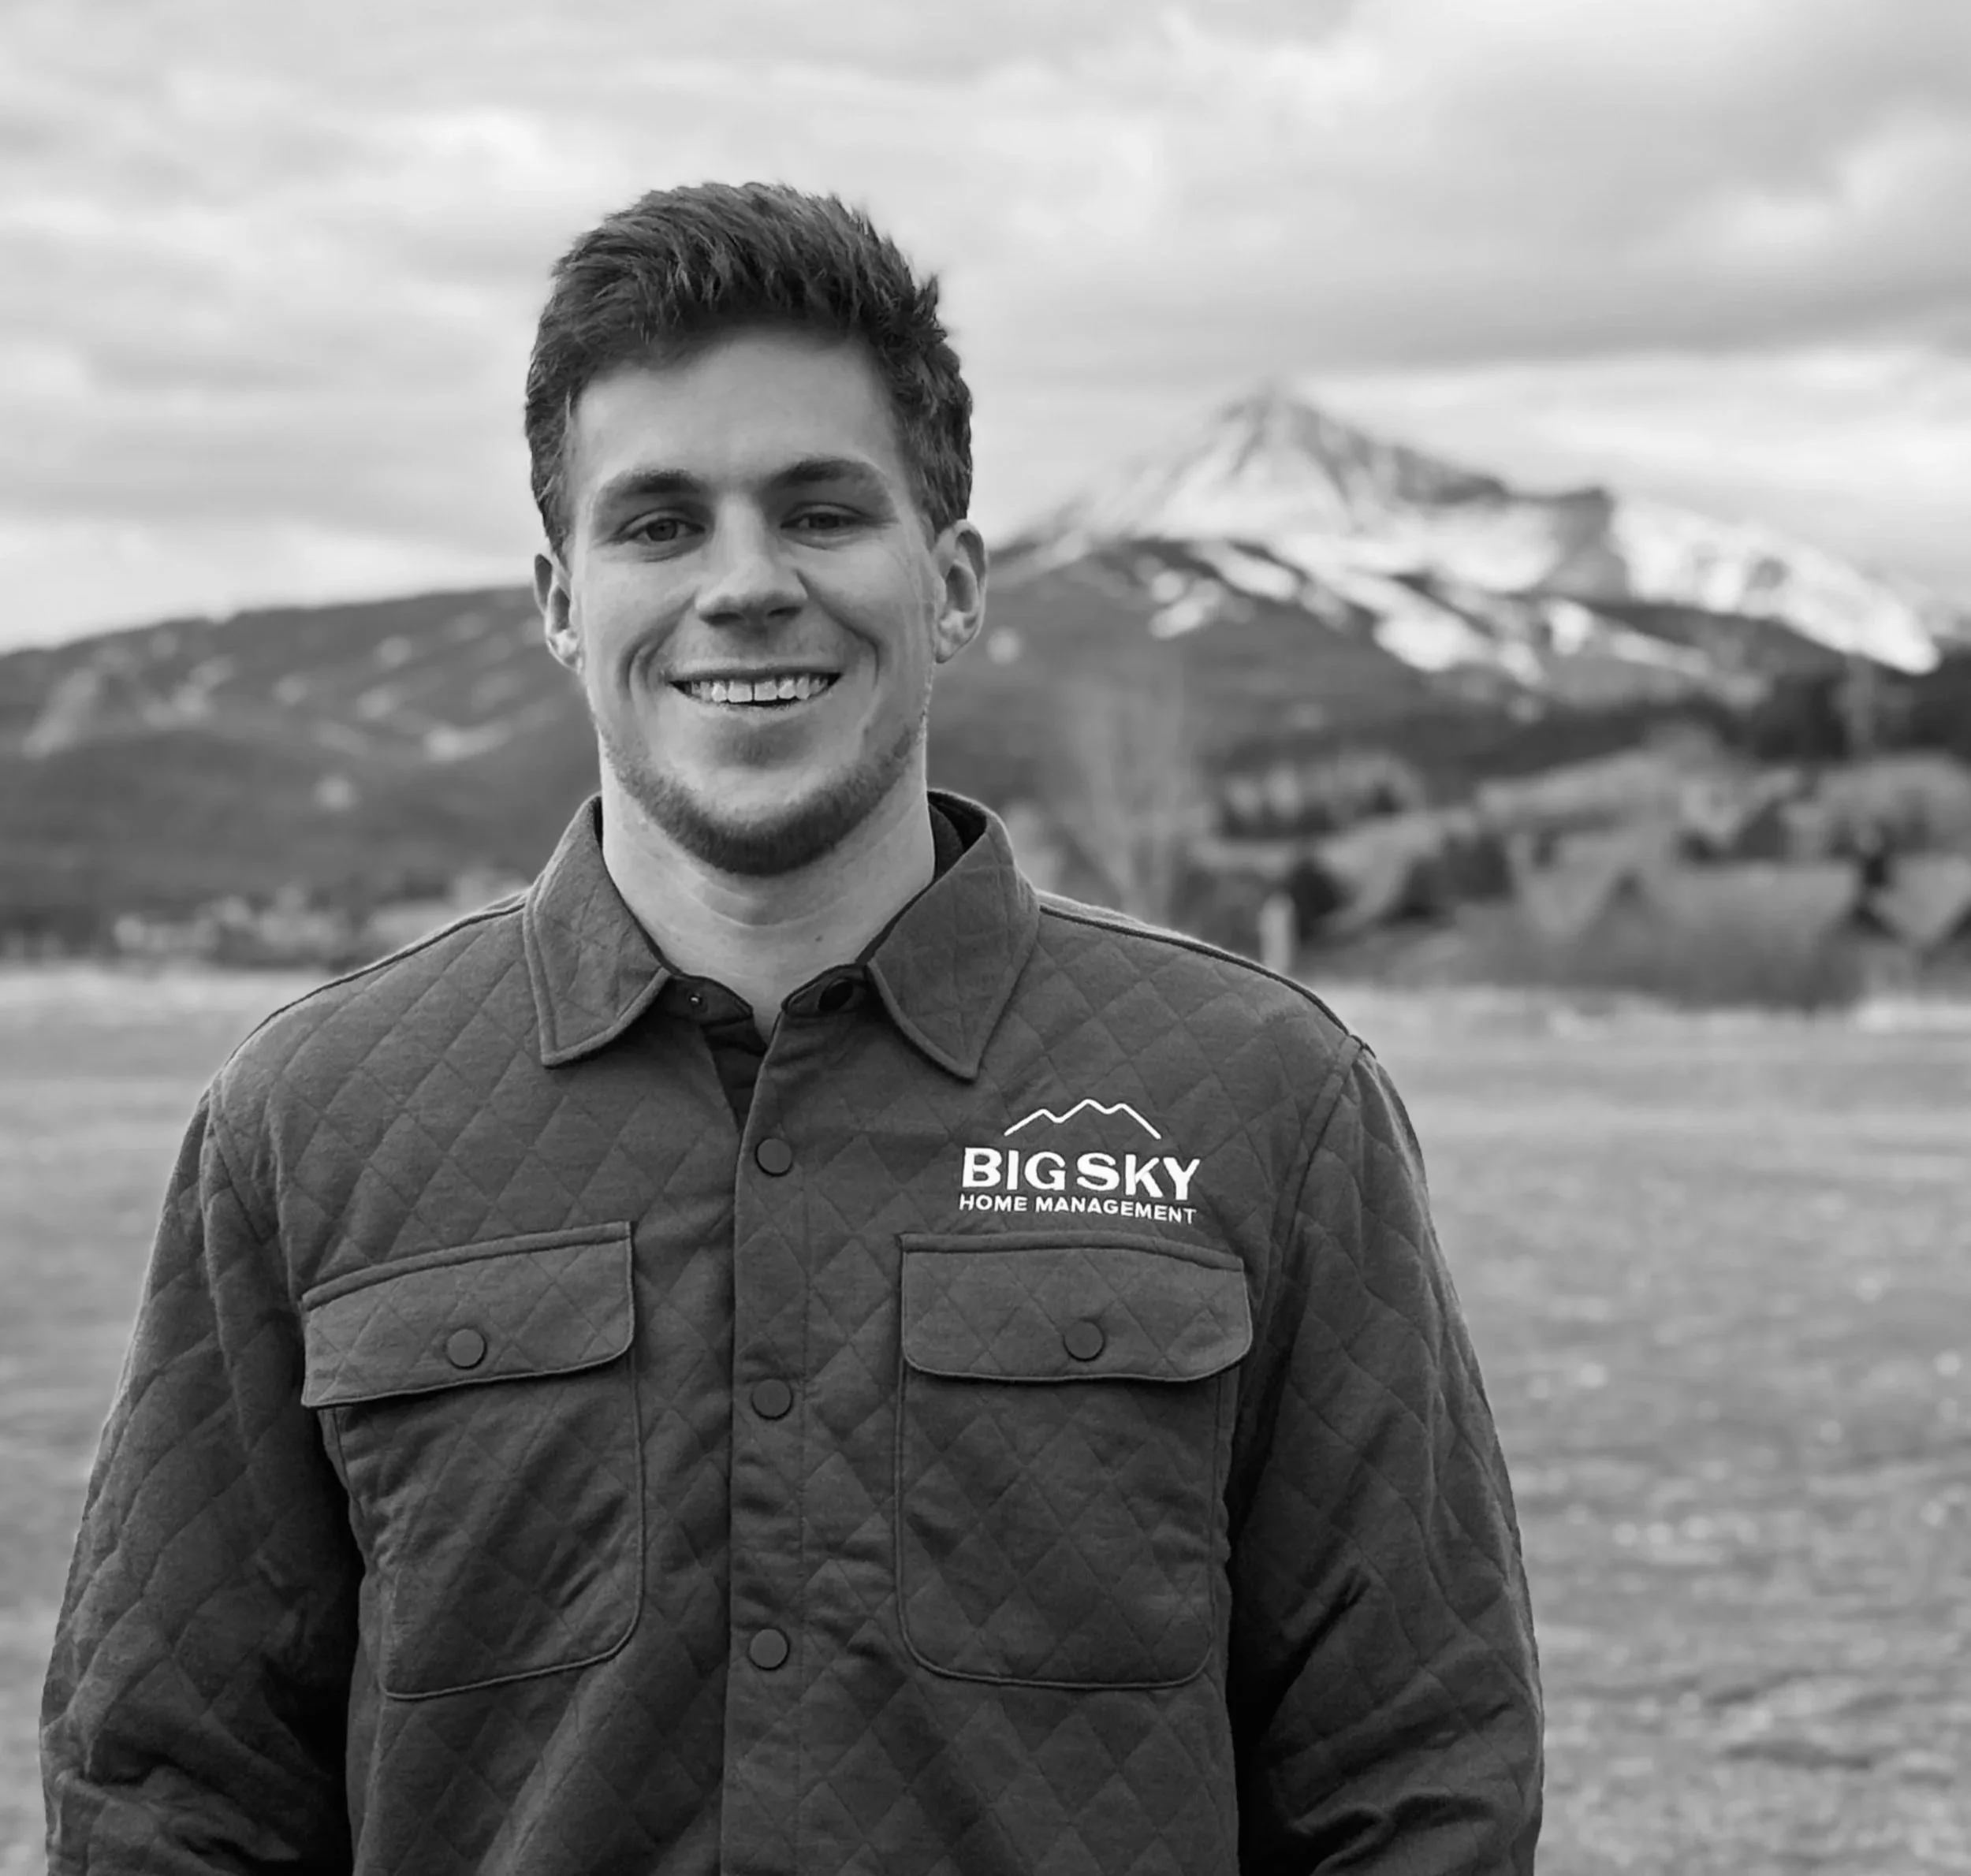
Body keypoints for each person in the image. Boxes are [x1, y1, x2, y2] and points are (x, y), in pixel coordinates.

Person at [43, 181, 1543, 1874]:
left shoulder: (1267, 1104)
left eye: (821, 511)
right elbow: (168, 1790)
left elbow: (1417, 1777)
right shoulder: (309, 1125)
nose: (745, 585)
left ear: (955, 579)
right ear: (558, 598)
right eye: (659, 523)